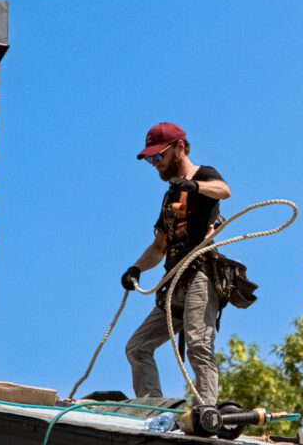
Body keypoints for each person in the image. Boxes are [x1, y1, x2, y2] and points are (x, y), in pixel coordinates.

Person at [122, 122, 230, 406]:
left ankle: (207, 412)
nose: (155, 163)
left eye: (159, 156)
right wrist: (136, 269)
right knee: (137, 347)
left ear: (179, 148)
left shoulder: (203, 175)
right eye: (150, 159)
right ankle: (151, 407)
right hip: (174, 283)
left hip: (199, 276)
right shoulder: (170, 195)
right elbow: (159, 246)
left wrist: (194, 186)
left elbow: (224, 190)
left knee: (198, 345)